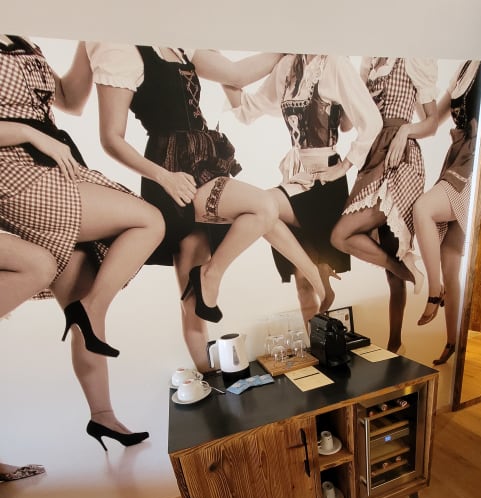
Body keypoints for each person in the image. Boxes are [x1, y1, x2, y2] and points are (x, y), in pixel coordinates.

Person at [86, 44, 326, 370]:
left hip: (203, 161)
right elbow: (111, 138)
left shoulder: (182, 48)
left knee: (197, 297)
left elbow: (237, 74)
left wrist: (287, 47)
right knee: (262, 208)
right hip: (172, 172)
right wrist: (165, 178)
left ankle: (208, 370)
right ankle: (212, 278)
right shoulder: (125, 51)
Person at [0, 35, 165, 448]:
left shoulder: (20, 39)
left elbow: (70, 100)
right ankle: (90, 309)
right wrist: (29, 133)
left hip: (54, 164)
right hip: (16, 173)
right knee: (148, 220)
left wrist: (86, 36)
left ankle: (102, 416)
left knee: (83, 291)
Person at [224, 53, 383, 327]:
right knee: (302, 286)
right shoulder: (287, 66)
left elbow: (372, 121)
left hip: (323, 184)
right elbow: (248, 110)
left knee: (262, 206)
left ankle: (317, 275)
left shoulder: (335, 64)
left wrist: (345, 165)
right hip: (296, 176)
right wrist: (222, 73)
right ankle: (315, 341)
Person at [330, 57, 438, 352]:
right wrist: (354, 80)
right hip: (372, 156)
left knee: (341, 235)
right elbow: (348, 123)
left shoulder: (411, 59)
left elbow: (432, 122)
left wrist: (405, 131)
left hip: (399, 158)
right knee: (390, 268)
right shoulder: (368, 65)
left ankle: (405, 274)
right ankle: (396, 344)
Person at [413, 61, 481, 365]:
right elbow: (432, 120)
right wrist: (420, 83)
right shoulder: (464, 69)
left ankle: (434, 290)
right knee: (450, 260)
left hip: (472, 162)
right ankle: (452, 342)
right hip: (457, 158)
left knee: (423, 208)